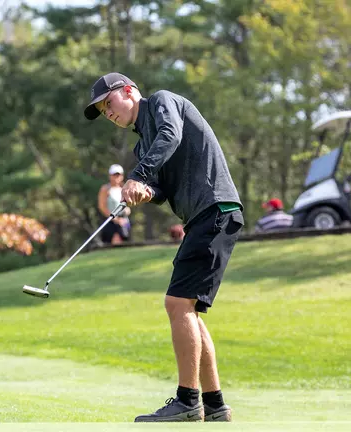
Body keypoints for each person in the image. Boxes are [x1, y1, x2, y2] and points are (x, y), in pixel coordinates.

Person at [84, 72, 243, 422]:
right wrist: (146, 191)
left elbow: (172, 135)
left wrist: (138, 176)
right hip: (202, 219)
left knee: (176, 303)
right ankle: (215, 406)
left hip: (215, 210)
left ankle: (188, 401)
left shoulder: (161, 102)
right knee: (189, 311)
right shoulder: (142, 146)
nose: (108, 114)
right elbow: (163, 192)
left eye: (108, 103)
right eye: (102, 111)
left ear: (129, 91)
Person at [97, 163, 131, 244]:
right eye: (114, 175)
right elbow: (102, 207)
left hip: (124, 221)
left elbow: (127, 206)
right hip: (110, 222)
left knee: (125, 243)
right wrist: (115, 219)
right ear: (110, 176)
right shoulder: (105, 189)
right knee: (115, 242)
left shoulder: (123, 189)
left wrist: (127, 211)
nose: (116, 177)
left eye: (118, 175)